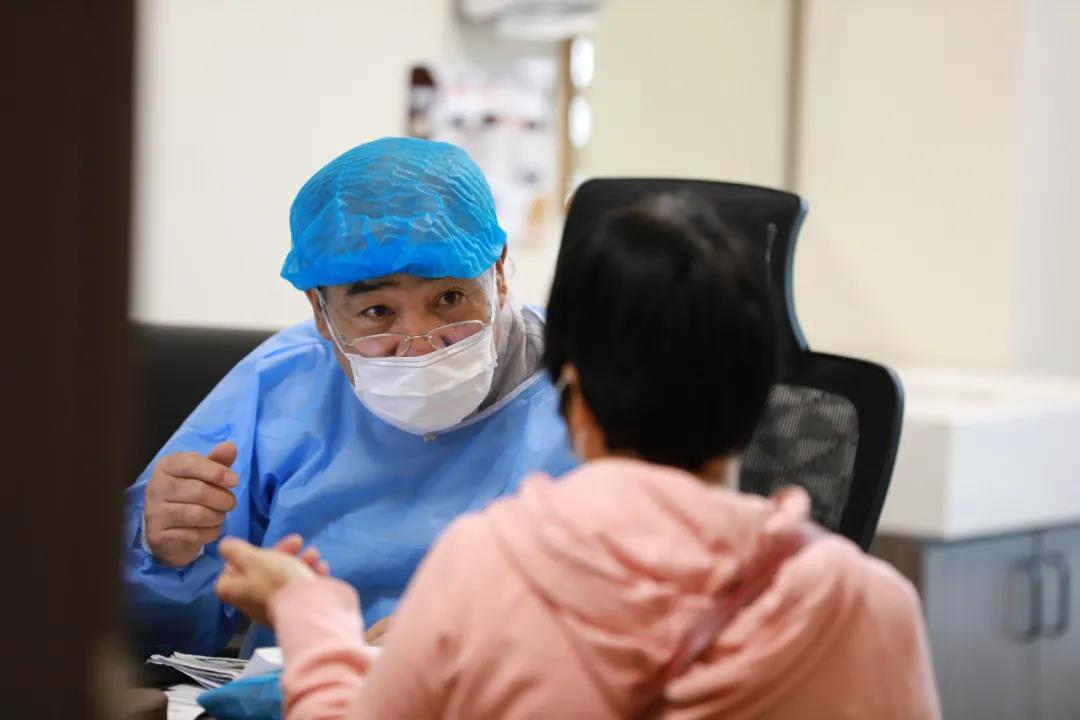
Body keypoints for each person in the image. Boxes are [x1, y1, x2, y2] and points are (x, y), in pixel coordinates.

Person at [214, 193, 941, 719]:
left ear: (576, 399)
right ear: (761, 403)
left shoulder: (486, 571)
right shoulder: (869, 603)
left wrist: (308, 609)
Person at [123, 137, 577, 656]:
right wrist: (165, 554)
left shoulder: (586, 388)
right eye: (377, 312)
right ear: (320, 312)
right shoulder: (281, 386)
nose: (419, 344)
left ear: (497, 273)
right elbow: (152, 641)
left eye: (449, 299)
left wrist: (488, 634)